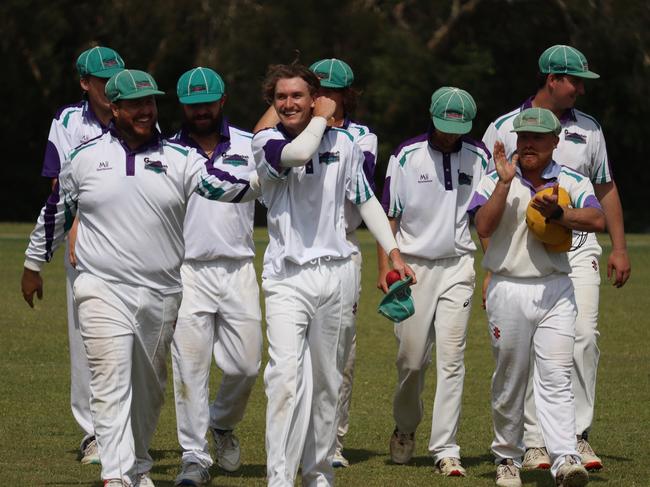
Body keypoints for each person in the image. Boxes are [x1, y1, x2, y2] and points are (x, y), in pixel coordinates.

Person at [21, 69, 260, 487]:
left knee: (149, 391)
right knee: (109, 378)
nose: (146, 110)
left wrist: (272, 175)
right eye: (135, 104)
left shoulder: (179, 159)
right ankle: (116, 476)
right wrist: (32, 264)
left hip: (161, 291)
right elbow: (56, 210)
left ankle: (139, 464)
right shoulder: (85, 156)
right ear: (114, 108)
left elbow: (227, 187)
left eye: (150, 102)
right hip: (100, 286)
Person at [252, 62, 415, 487]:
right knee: (285, 379)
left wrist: (394, 254)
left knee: (328, 382)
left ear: (312, 98)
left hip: (338, 273)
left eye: (297, 96)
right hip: (287, 278)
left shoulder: (345, 143)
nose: (289, 104)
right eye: (281, 97)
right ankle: (279, 478)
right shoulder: (266, 141)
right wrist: (323, 117)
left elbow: (365, 201)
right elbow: (299, 153)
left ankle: (318, 472)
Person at [482, 44, 631, 471]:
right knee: (523, 352)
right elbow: (487, 205)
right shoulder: (504, 126)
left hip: (579, 248)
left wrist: (619, 248)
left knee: (582, 338)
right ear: (553, 80)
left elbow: (605, 191)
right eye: (575, 82)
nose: (580, 91)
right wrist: (491, 266)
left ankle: (575, 437)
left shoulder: (591, 129)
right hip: (519, 258)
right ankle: (532, 443)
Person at [471, 107, 605, 487]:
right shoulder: (495, 178)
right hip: (509, 286)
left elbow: (597, 221)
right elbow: (482, 224)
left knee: (557, 376)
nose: (528, 144)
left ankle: (565, 458)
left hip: (556, 288)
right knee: (510, 379)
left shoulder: (571, 179)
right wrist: (502, 184)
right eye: (523, 137)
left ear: (554, 142)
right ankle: (507, 458)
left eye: (537, 139)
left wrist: (560, 213)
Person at [379, 87, 489, 477]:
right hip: (412, 267)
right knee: (411, 360)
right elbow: (388, 217)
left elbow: (483, 218)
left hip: (458, 265)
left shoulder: (479, 156)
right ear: (431, 116)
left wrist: (490, 267)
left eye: (457, 129)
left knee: (452, 359)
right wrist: (386, 268)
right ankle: (405, 427)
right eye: (444, 127)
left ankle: (446, 447)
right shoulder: (406, 155)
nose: (449, 136)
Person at [169, 67, 262, 487]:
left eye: (207, 102)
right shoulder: (168, 150)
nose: (201, 111)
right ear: (182, 106)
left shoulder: (250, 144)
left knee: (245, 365)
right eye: (193, 104)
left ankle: (221, 423)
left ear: (222, 101)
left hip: (238, 267)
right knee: (189, 368)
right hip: (186, 270)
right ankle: (194, 455)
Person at [40, 45, 126, 465]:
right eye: (103, 81)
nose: (111, 88)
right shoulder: (69, 121)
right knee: (85, 340)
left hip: (132, 244)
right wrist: (71, 226)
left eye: (116, 79)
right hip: (84, 245)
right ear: (85, 83)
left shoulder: (139, 112)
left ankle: (125, 428)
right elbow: (59, 184)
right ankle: (93, 433)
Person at [309, 58, 378, 469]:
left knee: (341, 354)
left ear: (346, 95)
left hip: (345, 245)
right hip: (300, 248)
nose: (324, 100)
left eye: (332, 93)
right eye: (318, 92)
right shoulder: (294, 129)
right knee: (296, 355)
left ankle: (332, 440)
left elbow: (360, 186)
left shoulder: (362, 137)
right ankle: (299, 435)